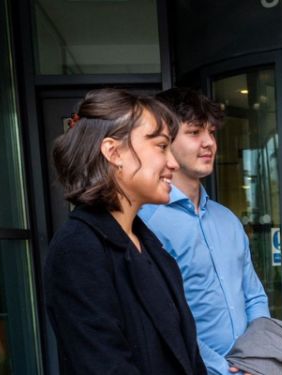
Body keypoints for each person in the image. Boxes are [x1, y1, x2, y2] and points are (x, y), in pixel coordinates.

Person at [45, 89, 206, 374]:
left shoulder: (147, 242)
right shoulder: (78, 249)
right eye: (160, 146)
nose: (173, 163)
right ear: (114, 152)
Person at [139, 88, 270, 375]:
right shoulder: (146, 223)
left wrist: (259, 356)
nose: (209, 142)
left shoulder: (228, 220)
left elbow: (255, 297)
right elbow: (164, 320)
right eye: (195, 132)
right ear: (166, 141)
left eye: (211, 132)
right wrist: (223, 368)